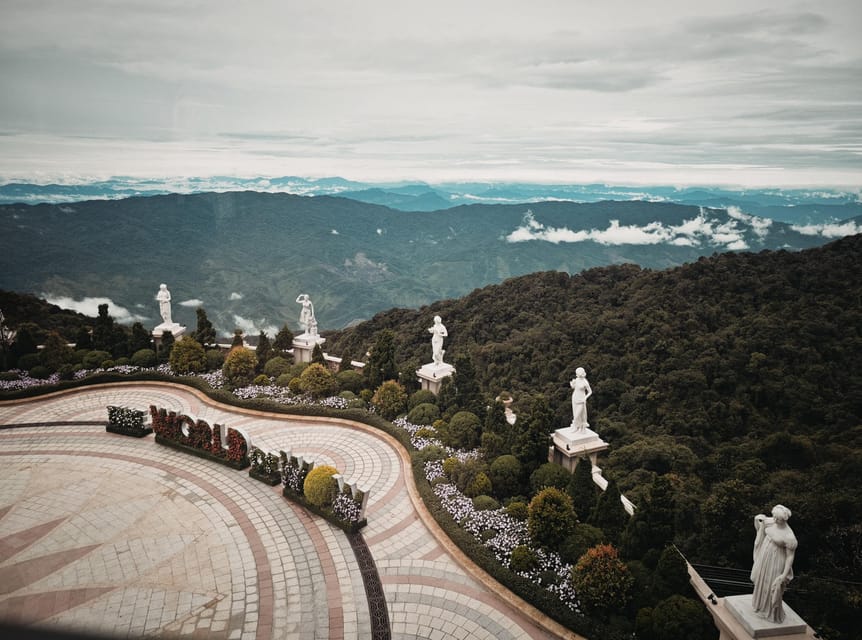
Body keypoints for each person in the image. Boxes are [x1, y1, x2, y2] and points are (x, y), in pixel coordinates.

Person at [750, 504, 797, 623]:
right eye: (774, 517)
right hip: (765, 557)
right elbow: (759, 527)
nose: (775, 520)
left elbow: (790, 557)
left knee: (771, 585)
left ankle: (771, 613)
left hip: (777, 561)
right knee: (762, 580)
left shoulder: (789, 536)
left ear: (784, 519)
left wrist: (784, 575)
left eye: (778, 519)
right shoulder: (771, 522)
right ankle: (759, 606)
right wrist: (757, 519)